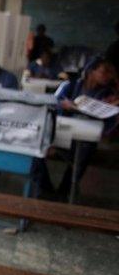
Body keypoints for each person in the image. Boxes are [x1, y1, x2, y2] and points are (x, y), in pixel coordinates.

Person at [33, 59, 118, 199]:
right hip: (60, 131)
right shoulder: (70, 86)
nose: (107, 76)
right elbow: (51, 104)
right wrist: (63, 105)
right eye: (104, 72)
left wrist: (111, 107)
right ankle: (45, 188)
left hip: (84, 137)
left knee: (85, 150)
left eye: (110, 74)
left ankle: (64, 191)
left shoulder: (108, 94)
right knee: (34, 145)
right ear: (91, 72)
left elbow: (110, 124)